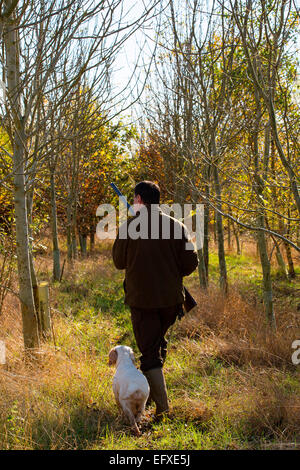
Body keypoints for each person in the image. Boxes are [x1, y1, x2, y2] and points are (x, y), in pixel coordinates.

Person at [112, 181, 198, 418]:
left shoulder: (129, 227)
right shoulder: (178, 226)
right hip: (172, 302)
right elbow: (191, 264)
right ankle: (150, 396)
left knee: (149, 352)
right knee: (157, 344)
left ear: (138, 199)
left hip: (142, 301)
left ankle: (162, 408)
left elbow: (119, 263)